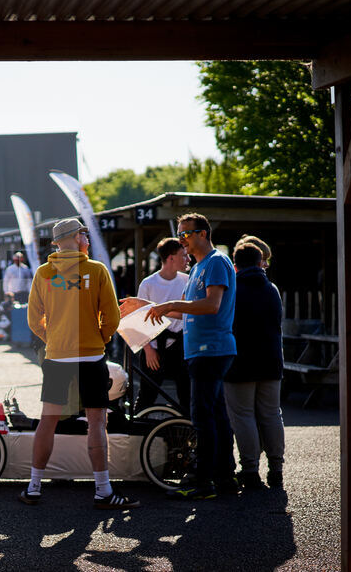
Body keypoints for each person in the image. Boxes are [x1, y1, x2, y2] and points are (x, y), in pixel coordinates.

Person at [21, 218, 136, 510]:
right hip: (91, 355)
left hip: (57, 356)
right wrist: (99, 337)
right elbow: (112, 317)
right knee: (97, 422)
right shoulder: (96, 270)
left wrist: (54, 339)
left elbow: (34, 320)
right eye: (84, 233)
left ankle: (34, 487)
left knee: (48, 420)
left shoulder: (44, 273)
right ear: (77, 237)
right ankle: (103, 490)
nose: (87, 237)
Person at [122, 212, 238, 500]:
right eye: (180, 234)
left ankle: (203, 481)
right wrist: (148, 305)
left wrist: (170, 303)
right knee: (216, 416)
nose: (182, 239)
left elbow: (211, 305)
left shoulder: (215, 262)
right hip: (200, 351)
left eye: (185, 233)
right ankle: (224, 478)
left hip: (211, 349)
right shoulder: (199, 268)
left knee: (201, 416)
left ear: (203, 233)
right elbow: (179, 312)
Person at [225, 242, 286, 489]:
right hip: (271, 361)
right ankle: (277, 468)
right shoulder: (272, 289)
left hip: (240, 362)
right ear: (260, 261)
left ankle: (250, 470)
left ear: (235, 263)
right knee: (272, 414)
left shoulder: (233, 290)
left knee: (244, 416)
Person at [132, 237, 191, 417]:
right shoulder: (148, 283)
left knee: (186, 395)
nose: (188, 259)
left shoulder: (187, 281)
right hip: (154, 346)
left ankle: (186, 435)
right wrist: (148, 350)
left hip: (180, 346)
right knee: (147, 396)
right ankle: (137, 435)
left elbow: (187, 313)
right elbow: (138, 320)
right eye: (184, 255)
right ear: (171, 258)